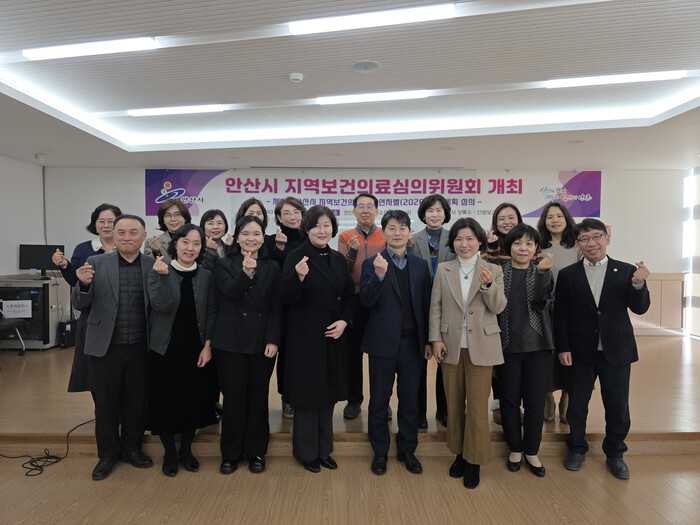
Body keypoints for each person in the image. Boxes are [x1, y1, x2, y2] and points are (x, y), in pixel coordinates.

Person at [555, 218, 650, 480]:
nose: (591, 243)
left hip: (617, 350)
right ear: (577, 244)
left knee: (617, 405)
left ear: (607, 238)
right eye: (584, 239)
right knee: (577, 405)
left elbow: (640, 308)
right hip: (579, 351)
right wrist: (563, 347)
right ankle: (576, 448)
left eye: (596, 236)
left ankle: (615, 453)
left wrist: (638, 284)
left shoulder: (627, 271)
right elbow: (561, 315)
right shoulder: (568, 275)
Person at [72, 214, 155, 481]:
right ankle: (107, 455)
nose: (127, 237)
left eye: (133, 232)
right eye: (121, 232)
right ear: (113, 235)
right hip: (105, 346)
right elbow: (80, 304)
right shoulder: (95, 263)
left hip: (141, 346)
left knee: (136, 402)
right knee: (105, 403)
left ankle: (132, 450)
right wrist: (83, 285)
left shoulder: (153, 265)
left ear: (143, 236)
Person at [429, 218, 506, 489]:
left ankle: (474, 460)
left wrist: (487, 286)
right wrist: (435, 338)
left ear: (480, 242)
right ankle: (460, 454)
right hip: (450, 346)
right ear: (453, 242)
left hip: (482, 346)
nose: (464, 244)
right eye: (459, 239)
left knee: (476, 407)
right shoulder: (444, 269)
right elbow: (436, 306)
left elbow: (498, 307)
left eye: (470, 238)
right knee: (454, 405)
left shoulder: (493, 270)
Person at [281, 205, 358, 473]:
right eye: (316, 226)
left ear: (333, 229)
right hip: (305, 334)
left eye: (327, 225)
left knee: (327, 394)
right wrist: (299, 277)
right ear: (307, 228)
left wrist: (345, 322)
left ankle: (324, 450)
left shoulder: (337, 258)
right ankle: (306, 453)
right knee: (307, 395)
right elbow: (286, 298)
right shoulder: (295, 256)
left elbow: (349, 296)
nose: (322, 231)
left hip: (333, 332)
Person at [360, 210, 432, 476]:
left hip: (413, 345)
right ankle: (380, 452)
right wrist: (379, 276)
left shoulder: (420, 265)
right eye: (392, 228)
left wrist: (428, 341)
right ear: (384, 232)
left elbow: (426, 305)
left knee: (410, 401)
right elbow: (366, 301)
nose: (397, 232)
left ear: (409, 232)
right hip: (382, 345)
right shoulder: (372, 263)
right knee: (379, 401)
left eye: (402, 228)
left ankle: (407, 450)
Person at [212, 216, 281, 475]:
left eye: (256, 233)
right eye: (245, 233)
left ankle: (256, 452)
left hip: (262, 342)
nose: (251, 238)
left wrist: (273, 338)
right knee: (233, 397)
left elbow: (276, 306)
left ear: (263, 238)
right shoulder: (222, 264)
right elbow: (231, 293)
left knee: (257, 397)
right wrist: (247, 273)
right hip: (229, 342)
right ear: (237, 237)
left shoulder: (272, 266)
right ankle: (230, 454)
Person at [147, 224, 218, 477]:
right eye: (185, 242)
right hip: (164, 347)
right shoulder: (159, 269)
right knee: (165, 400)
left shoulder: (206, 275)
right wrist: (163, 277)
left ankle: (186, 450)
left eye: (196, 244)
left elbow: (212, 311)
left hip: (196, 347)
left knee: (192, 399)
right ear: (175, 244)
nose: (190, 248)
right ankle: (169, 452)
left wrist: (208, 346)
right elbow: (161, 304)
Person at [496, 224, 554, 478]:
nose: (523, 248)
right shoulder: (498, 272)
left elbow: (541, 303)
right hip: (506, 347)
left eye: (529, 244)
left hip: (538, 348)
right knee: (509, 402)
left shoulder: (543, 271)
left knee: (535, 403)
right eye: (518, 243)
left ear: (536, 248)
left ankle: (531, 450)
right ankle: (515, 449)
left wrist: (542, 274)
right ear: (509, 246)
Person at [51, 203, 122, 394]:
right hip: (92, 317)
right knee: (94, 370)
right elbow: (75, 282)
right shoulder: (83, 249)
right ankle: (102, 407)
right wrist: (65, 265)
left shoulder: (126, 248)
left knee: (120, 370)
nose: (106, 225)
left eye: (111, 221)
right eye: (101, 221)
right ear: (94, 224)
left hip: (121, 318)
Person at [481, 202, 540, 425]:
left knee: (523, 367)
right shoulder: (489, 244)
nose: (506, 222)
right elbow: (485, 274)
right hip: (495, 311)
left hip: (525, 313)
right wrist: (492, 248)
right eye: (501, 218)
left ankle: (521, 406)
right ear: (495, 223)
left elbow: (536, 272)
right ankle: (499, 404)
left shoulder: (530, 244)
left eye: (511, 217)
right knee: (499, 364)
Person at [408, 194, 456, 428]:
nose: (434, 214)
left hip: (447, 307)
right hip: (418, 307)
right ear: (423, 214)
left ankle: (444, 410)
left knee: (444, 360)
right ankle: (419, 414)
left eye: (439, 210)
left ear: (445, 214)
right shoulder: (412, 240)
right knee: (418, 362)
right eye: (430, 210)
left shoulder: (455, 238)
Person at [337, 194, 386, 420]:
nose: (365, 210)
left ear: (377, 211)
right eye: (360, 206)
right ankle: (354, 399)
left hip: (380, 300)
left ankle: (381, 401)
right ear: (354, 211)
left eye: (370, 206)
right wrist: (352, 253)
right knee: (353, 353)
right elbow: (342, 271)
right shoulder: (346, 236)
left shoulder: (386, 234)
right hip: (355, 300)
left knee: (380, 354)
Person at [537, 202, 581, 423]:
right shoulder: (538, 247)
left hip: (572, 313)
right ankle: (548, 398)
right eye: (550, 216)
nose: (555, 220)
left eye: (559, 216)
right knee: (546, 358)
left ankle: (566, 398)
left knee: (571, 357)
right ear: (544, 222)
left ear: (567, 219)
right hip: (544, 312)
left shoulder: (577, 247)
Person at [268, 197, 307, 419]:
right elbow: (277, 273)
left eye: (296, 212)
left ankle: (303, 396)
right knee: (286, 355)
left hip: (307, 305)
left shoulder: (311, 238)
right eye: (286, 213)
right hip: (283, 306)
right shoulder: (273, 241)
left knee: (303, 354)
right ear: (279, 218)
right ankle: (287, 398)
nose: (292, 217)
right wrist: (279, 249)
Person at [144, 199, 191, 264]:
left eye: (177, 214)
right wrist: (156, 253)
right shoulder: (152, 242)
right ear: (163, 220)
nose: (173, 219)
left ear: (185, 218)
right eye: (168, 215)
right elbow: (147, 266)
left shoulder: (196, 240)